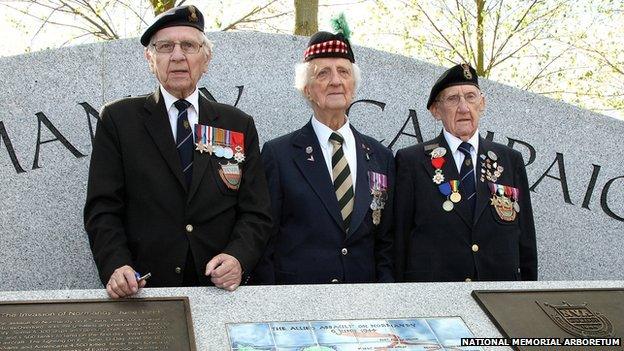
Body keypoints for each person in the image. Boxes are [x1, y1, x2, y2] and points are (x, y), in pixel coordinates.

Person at [84, 5, 272, 298]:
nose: (177, 55)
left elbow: (256, 212)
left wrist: (238, 258)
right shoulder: (119, 121)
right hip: (144, 291)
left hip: (219, 290)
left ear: (205, 59)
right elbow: (103, 209)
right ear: (150, 59)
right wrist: (115, 264)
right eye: (165, 46)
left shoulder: (238, 124)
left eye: (189, 45)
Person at [251, 17, 394, 284]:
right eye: (323, 73)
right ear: (306, 89)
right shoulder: (279, 154)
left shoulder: (380, 157)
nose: (335, 81)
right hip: (298, 304)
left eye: (343, 71)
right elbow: (264, 239)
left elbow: (386, 242)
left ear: (353, 86)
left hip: (366, 304)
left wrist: (385, 295)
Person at [394, 63, 537, 282]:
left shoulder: (510, 160)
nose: (463, 107)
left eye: (470, 97)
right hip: (436, 302)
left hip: (496, 298)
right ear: (435, 110)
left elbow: (525, 241)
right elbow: (398, 242)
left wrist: (525, 299)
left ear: (482, 103)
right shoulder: (411, 162)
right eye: (452, 99)